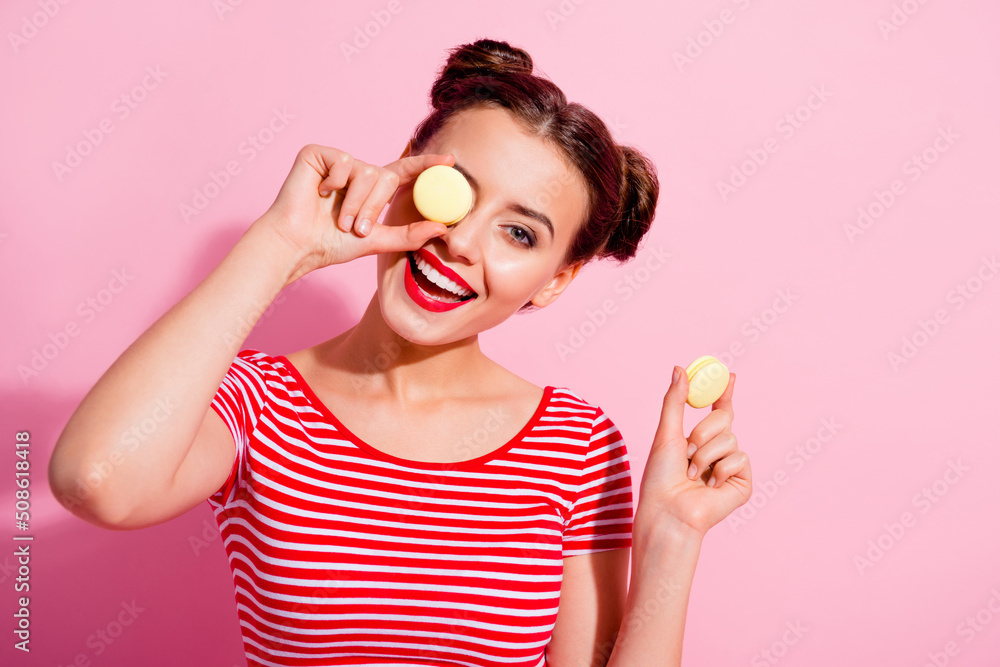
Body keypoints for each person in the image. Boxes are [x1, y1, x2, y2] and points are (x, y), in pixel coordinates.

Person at [49, 38, 751, 667]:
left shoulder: (576, 445)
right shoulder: (257, 403)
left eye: (520, 234)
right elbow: (95, 479)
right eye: (452, 192)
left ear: (556, 281)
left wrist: (672, 539)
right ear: (402, 170)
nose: (462, 240)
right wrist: (281, 245)